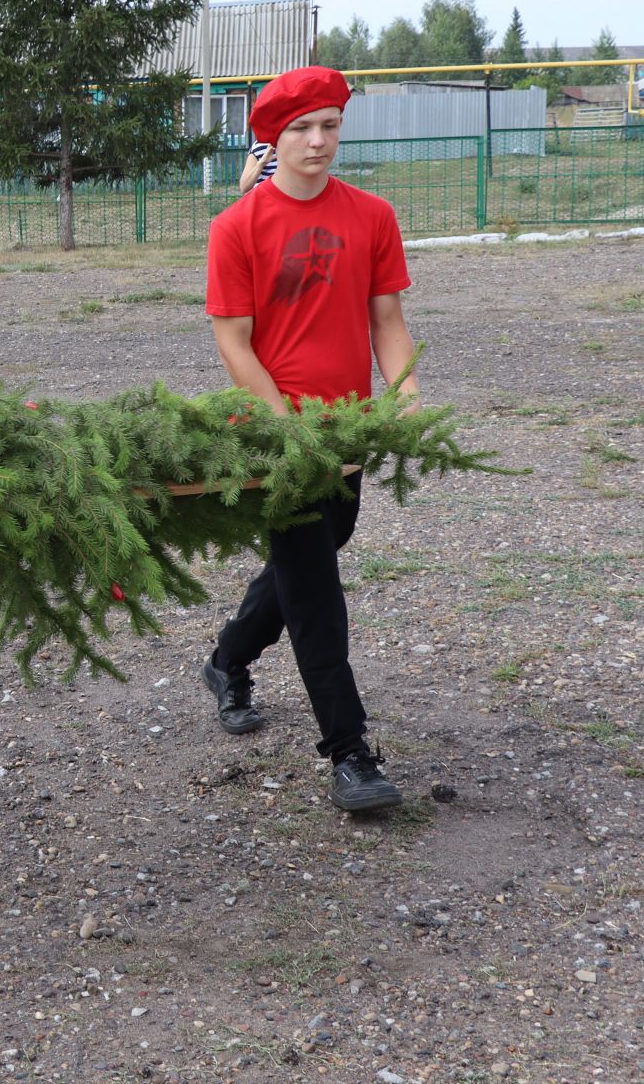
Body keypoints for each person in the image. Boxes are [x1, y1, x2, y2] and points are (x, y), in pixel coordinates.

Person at [200, 65, 418, 814]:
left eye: (329, 125)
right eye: (300, 129)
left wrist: (404, 393)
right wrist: (285, 426)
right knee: (316, 590)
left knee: (324, 546)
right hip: (276, 440)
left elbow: (386, 323)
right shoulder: (236, 228)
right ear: (272, 137)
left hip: (347, 431)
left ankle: (228, 657)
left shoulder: (372, 216)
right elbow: (233, 343)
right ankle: (350, 753)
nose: (318, 141)